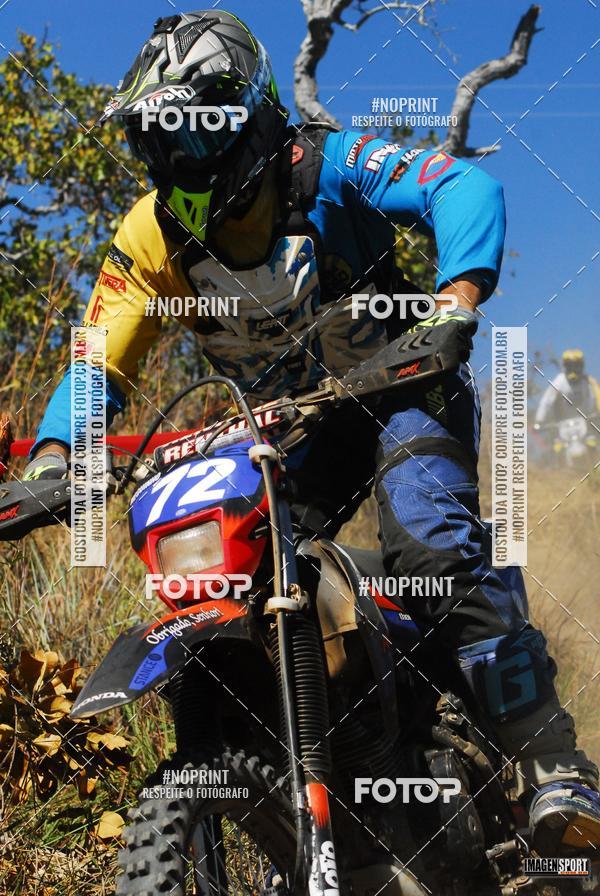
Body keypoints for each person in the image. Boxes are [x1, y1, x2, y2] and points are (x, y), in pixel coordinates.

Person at [22, 10, 600, 855]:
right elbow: (97, 357)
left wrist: (453, 304)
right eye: (156, 142)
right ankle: (323, 771)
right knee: (232, 574)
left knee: (432, 546)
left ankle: (553, 764)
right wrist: (51, 457)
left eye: (186, 136)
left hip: (408, 387)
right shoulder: (151, 233)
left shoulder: (329, 164)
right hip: (287, 432)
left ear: (243, 118)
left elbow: (462, 186)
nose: (173, 161)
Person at [535, 349, 600, 427]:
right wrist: (539, 420)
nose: (573, 370)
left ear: (582, 366)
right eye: (570, 366)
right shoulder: (559, 381)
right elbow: (546, 401)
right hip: (563, 426)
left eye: (576, 366)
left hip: (587, 424)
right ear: (565, 367)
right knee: (555, 440)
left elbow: (597, 397)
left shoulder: (589, 381)